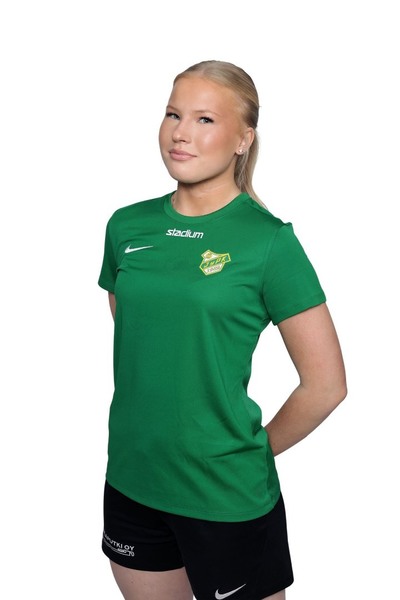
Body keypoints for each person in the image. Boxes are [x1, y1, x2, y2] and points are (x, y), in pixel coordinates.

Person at [98, 60, 347, 600]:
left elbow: (326, 386)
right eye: (173, 114)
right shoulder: (126, 226)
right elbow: (143, 342)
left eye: (205, 119)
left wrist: (252, 453)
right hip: (133, 481)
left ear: (243, 139)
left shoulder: (270, 242)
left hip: (226, 498)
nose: (180, 133)